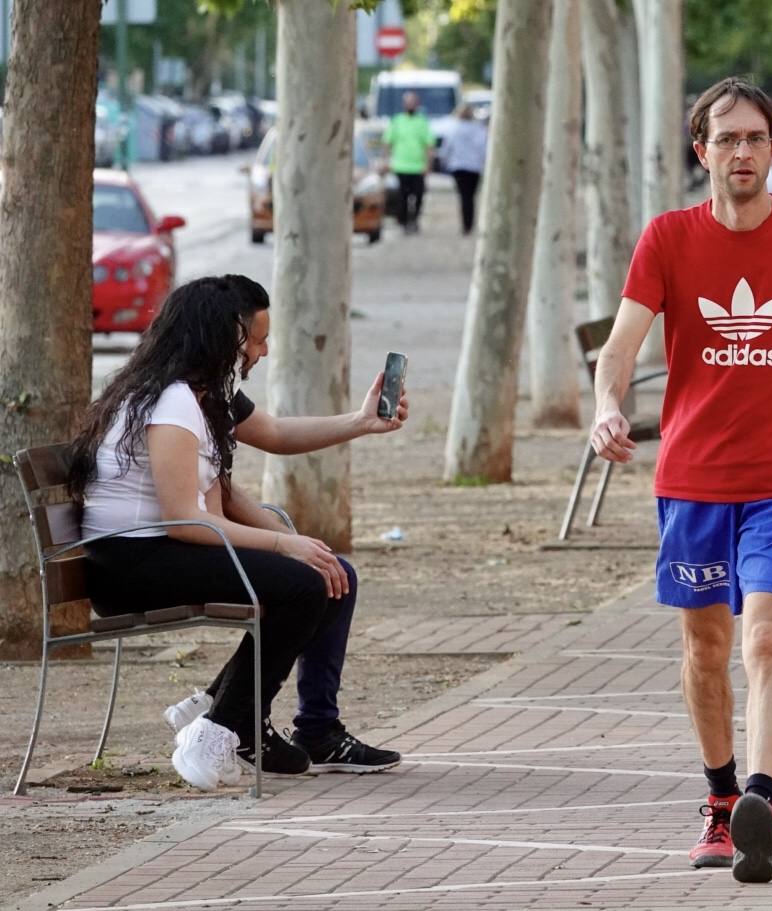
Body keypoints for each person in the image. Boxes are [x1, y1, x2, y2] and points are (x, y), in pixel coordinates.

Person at [590, 76, 772, 884]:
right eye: (727, 139)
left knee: (766, 636)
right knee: (706, 647)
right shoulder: (667, 238)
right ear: (702, 151)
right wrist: (606, 404)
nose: (742, 152)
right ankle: (720, 800)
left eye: (756, 138)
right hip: (691, 479)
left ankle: (763, 797)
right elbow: (621, 343)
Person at [69, 276, 408, 791]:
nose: (264, 351)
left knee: (330, 573)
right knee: (303, 585)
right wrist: (284, 544)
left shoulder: (202, 394)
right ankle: (224, 728)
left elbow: (269, 439)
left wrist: (361, 423)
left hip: (159, 552)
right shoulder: (172, 401)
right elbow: (186, 517)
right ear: (223, 336)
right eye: (256, 340)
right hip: (131, 563)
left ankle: (305, 727)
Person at [383, 91, 436, 234]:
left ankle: (414, 219)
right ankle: (405, 221)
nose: (410, 104)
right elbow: (388, 142)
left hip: (418, 167)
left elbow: (429, 145)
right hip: (401, 166)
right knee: (403, 197)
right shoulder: (397, 121)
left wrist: (428, 165)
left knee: (418, 196)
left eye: (413, 102)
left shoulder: (422, 122)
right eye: (408, 102)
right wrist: (387, 161)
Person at [441, 103, 489, 235]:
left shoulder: (453, 129)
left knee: (463, 196)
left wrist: (444, 161)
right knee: (471, 196)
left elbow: (446, 148)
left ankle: (465, 224)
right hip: (474, 167)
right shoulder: (479, 129)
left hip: (458, 166)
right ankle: (469, 223)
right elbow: (484, 148)